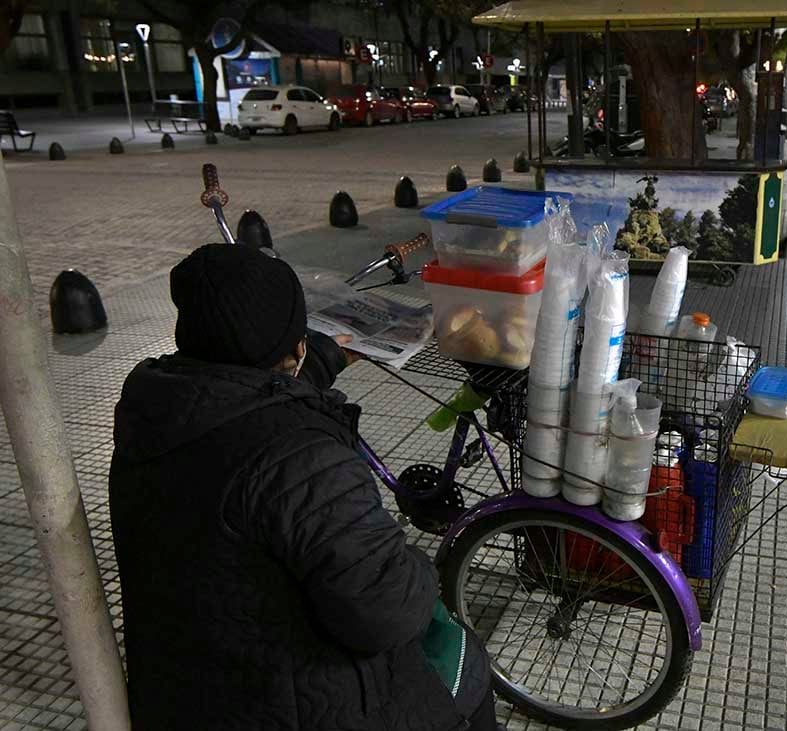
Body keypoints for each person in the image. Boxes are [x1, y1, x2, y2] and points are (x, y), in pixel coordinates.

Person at [110, 244, 498, 731]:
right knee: (465, 668)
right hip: (281, 706)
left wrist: (333, 353)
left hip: (184, 689)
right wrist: (418, 567)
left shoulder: (156, 409)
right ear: (294, 348)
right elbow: (386, 612)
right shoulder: (300, 460)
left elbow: (246, 390)